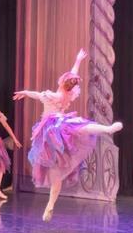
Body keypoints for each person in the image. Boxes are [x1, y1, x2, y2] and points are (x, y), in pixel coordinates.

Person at [13, 49, 123, 222]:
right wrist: (78, 61)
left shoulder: (52, 95)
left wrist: (25, 92)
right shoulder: (68, 94)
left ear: (61, 82)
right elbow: (73, 75)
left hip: (51, 131)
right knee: (82, 127)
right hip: (61, 127)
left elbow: (37, 94)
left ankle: (50, 206)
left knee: (56, 173)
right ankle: (106, 129)